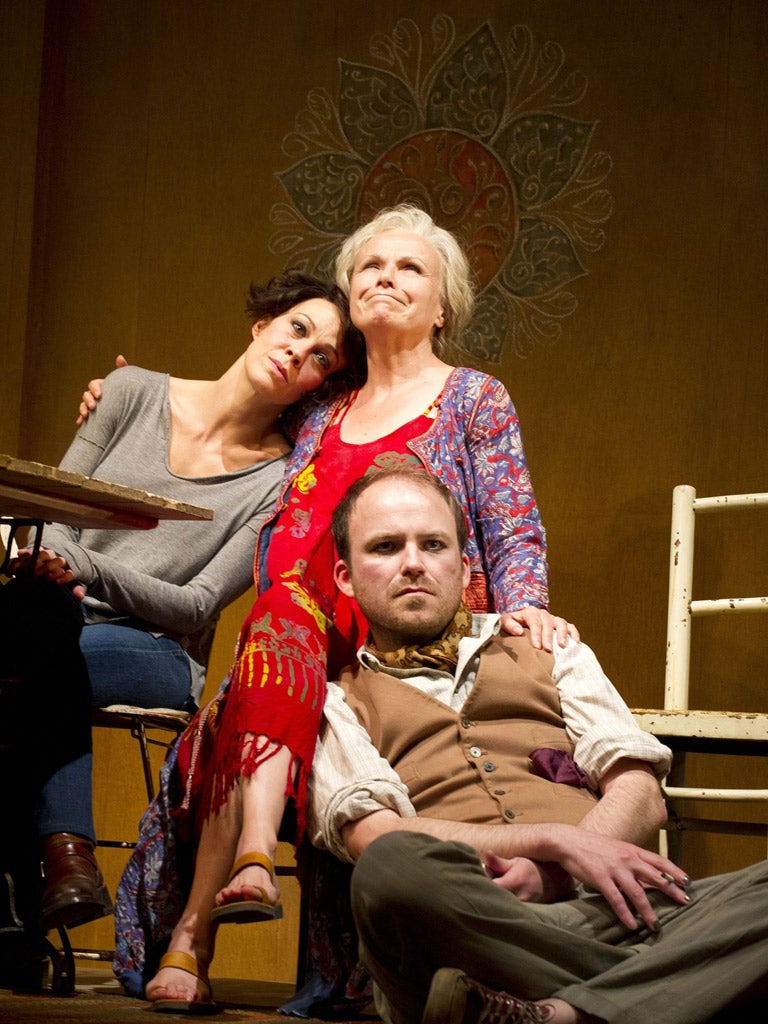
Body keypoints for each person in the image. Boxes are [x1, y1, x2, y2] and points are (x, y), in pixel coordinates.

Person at [107, 205, 578, 1012]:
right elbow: (223, 416)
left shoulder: (473, 399)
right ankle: (231, 884)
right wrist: (128, 398)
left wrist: (527, 608)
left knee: (268, 655)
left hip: (400, 644)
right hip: (295, 643)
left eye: (408, 269)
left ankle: (196, 930)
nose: (384, 279)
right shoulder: (317, 412)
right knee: (280, 633)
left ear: (442, 308)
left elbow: (509, 522)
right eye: (369, 268)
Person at [308, 466, 768, 1024]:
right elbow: (371, 833)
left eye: (433, 544)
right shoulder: (336, 699)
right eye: (385, 547)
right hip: (481, 916)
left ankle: (554, 1014)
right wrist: (550, 841)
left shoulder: (550, 647)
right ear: (347, 575)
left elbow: (641, 792)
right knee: (390, 868)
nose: (413, 563)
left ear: (464, 563)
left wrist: (561, 874)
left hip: (614, 906)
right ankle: (668, 982)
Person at [0, 270, 359, 951]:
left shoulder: (279, 482)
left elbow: (196, 603)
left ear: (322, 384)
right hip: (51, 618)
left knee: (29, 656)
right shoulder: (132, 392)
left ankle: (44, 873)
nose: (301, 352)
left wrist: (86, 567)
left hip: (155, 651)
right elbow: (55, 510)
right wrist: (59, 564)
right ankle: (51, 880)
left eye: (323, 358)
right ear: (263, 324)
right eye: (299, 328)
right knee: (37, 644)